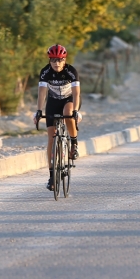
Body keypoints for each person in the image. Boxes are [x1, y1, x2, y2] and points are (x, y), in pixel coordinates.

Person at [33, 44, 81, 191]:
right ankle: (52, 175)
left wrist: (76, 111)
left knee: (68, 114)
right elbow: (42, 93)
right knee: (51, 137)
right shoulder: (45, 72)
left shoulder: (71, 71)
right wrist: (39, 111)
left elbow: (76, 93)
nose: (57, 63)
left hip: (69, 100)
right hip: (53, 102)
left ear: (64, 59)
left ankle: (73, 142)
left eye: (60, 60)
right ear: (49, 60)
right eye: (53, 60)